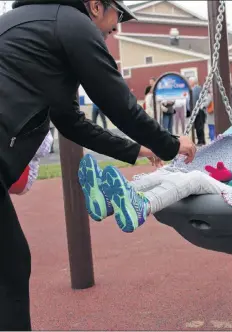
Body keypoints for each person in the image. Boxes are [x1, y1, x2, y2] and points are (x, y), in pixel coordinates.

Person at [0, 1, 196, 330]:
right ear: (94, 6)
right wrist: (173, 145)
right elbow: (118, 104)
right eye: (114, 21)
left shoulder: (24, 26)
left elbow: (71, 123)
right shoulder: (73, 24)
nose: (113, 32)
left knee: (11, 263)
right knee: (10, 268)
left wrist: (136, 150)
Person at [78, 91, 232, 233]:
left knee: (194, 178)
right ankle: (108, 201)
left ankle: (142, 207)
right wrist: (227, 175)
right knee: (173, 174)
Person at [189, 77, 206, 145]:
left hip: (199, 111)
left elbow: (195, 100)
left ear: (193, 82)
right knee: (197, 126)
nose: (189, 83)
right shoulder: (193, 89)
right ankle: (200, 140)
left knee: (199, 127)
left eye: (190, 81)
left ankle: (201, 141)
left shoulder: (197, 89)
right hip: (196, 111)